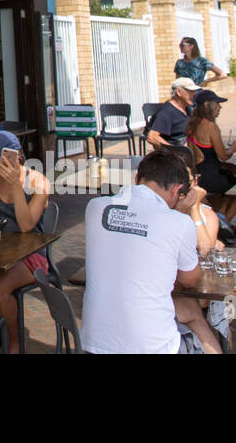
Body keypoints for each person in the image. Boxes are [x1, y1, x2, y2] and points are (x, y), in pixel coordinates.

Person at [82, 150, 203, 354]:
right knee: (193, 322)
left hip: (94, 344)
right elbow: (191, 280)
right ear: (177, 190)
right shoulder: (179, 222)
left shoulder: (95, 207)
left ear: (137, 178)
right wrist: (181, 211)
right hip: (153, 348)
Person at [0, 133, 50, 346]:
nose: (0, 169)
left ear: (18, 156)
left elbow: (26, 226)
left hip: (29, 253)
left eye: (4, 163)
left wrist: (16, 185)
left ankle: (14, 343)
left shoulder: (38, 182)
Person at [172, 164, 226, 355]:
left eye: (189, 181)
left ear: (196, 181)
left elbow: (204, 248)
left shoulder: (206, 214)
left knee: (197, 303)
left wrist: (194, 208)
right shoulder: (164, 212)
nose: (185, 188)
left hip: (190, 289)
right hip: (172, 290)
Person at [186, 89, 236, 218]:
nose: (220, 107)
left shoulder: (191, 124)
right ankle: (225, 222)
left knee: (234, 173)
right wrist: (235, 147)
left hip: (199, 174)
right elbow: (223, 156)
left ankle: (219, 216)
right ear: (207, 105)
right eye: (217, 103)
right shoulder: (210, 126)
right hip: (212, 177)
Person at [144, 78, 198, 149]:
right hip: (176, 156)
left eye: (194, 91)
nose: (194, 94)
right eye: (190, 91)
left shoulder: (188, 109)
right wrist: (175, 151)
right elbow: (152, 137)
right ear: (178, 92)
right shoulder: (166, 112)